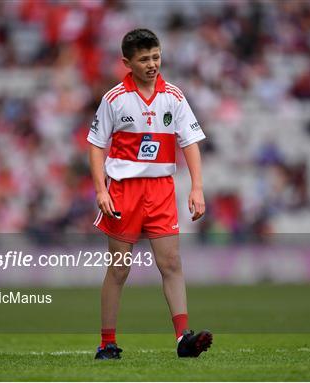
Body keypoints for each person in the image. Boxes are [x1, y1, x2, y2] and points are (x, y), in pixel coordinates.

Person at [87, 28, 212, 359]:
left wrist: (197, 187)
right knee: (119, 268)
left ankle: (183, 339)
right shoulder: (114, 99)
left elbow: (190, 143)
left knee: (171, 262)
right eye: (144, 59)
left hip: (161, 189)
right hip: (124, 191)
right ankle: (107, 343)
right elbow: (97, 146)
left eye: (156, 57)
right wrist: (101, 190)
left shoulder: (173, 96)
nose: (152, 64)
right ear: (127, 62)